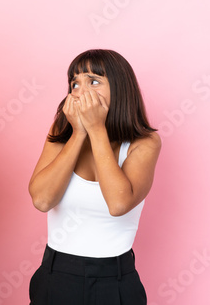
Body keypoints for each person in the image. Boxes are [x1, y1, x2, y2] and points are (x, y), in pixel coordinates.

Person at [28, 49, 161, 304]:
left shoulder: (144, 143)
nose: (80, 91)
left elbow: (118, 204)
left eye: (94, 81)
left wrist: (96, 128)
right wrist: (78, 134)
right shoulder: (61, 132)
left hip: (115, 279)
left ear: (120, 89)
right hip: (55, 274)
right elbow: (42, 200)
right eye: (74, 83)